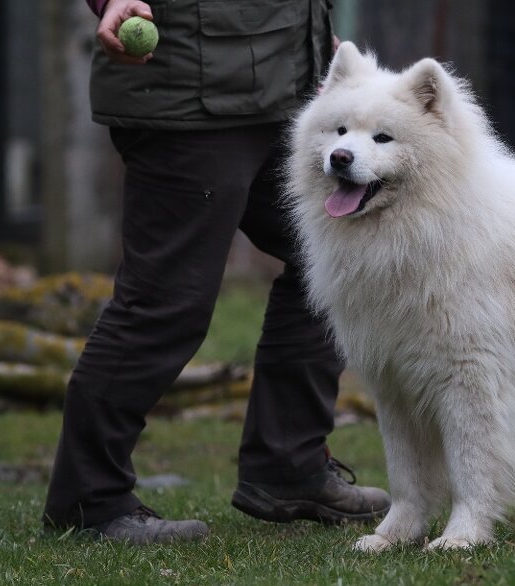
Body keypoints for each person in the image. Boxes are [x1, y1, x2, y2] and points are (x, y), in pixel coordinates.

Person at [42, 0, 390, 544]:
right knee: (165, 300)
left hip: (283, 88)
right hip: (189, 95)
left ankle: (288, 465)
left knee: (330, 266)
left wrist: (313, 40)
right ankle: (89, 499)